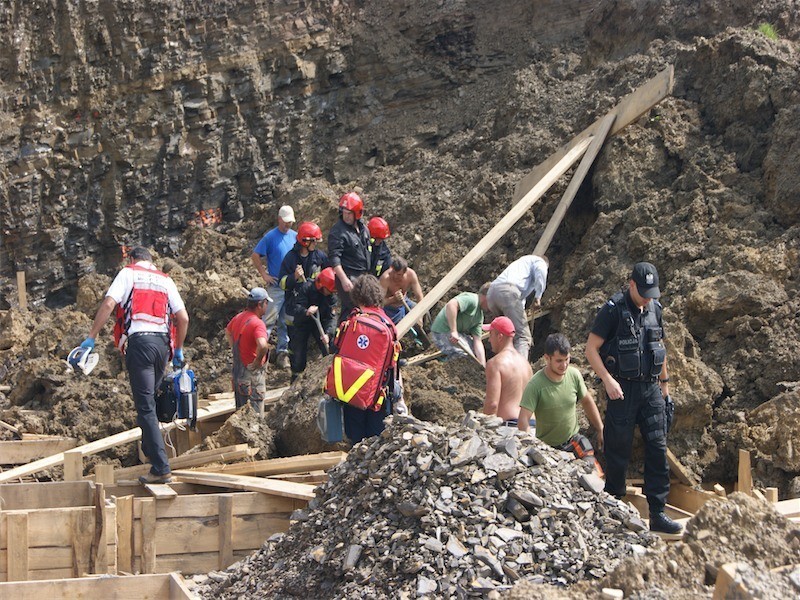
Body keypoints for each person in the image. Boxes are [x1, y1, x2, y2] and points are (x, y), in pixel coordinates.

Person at [584, 262, 680, 535]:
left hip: (651, 390)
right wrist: (608, 380)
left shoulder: (655, 310)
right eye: (644, 291)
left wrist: (665, 387)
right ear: (631, 284)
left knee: (658, 448)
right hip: (622, 390)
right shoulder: (612, 310)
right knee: (618, 449)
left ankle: (658, 512)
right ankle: (614, 506)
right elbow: (591, 349)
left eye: (652, 292)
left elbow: (658, 348)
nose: (648, 297)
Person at [80, 247, 189, 484]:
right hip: (162, 346)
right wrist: (178, 350)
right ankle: (152, 452)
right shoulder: (165, 280)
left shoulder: (128, 274)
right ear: (151, 261)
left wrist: (92, 336)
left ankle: (161, 467)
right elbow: (183, 318)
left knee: (146, 407)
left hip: (140, 344)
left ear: (132, 259)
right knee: (151, 400)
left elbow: (109, 304)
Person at [517, 333, 604, 475]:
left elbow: (587, 401)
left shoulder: (574, 375)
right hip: (547, 447)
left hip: (572, 439)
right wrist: (531, 447)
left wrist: (600, 428)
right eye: (558, 361)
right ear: (547, 358)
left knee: (591, 466)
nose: (564, 365)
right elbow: (523, 420)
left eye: (567, 359)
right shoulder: (535, 385)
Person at [334, 274, 404, 443]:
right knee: (376, 442)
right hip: (378, 397)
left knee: (355, 440)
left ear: (357, 296)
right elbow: (393, 364)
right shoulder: (388, 324)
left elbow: (336, 349)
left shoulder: (352, 320)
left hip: (351, 393)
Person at [250, 205, 297, 368]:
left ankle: (282, 353)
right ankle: (259, 353)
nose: (288, 225)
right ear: (279, 219)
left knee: (285, 321)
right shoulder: (270, 237)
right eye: (285, 222)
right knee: (268, 320)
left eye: (290, 222)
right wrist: (264, 275)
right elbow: (255, 255)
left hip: (290, 286)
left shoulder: (295, 237)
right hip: (276, 287)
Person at [486, 254, 549, 358]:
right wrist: (538, 296)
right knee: (523, 337)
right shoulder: (539, 261)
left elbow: (520, 300)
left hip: (492, 293)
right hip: (507, 292)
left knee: (504, 334)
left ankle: (503, 365)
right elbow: (541, 270)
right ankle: (519, 370)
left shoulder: (522, 266)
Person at [285, 267, 338, 382]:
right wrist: (306, 311)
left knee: (329, 348)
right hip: (302, 323)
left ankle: (329, 378)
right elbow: (296, 308)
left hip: (320, 322)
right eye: (329, 290)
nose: (330, 293)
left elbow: (332, 318)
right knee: (298, 353)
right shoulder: (306, 288)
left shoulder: (331, 296)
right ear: (321, 286)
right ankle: (295, 379)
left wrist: (328, 334)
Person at [225, 288, 271, 415]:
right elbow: (263, 345)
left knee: (241, 418)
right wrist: (257, 361)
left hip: (239, 377)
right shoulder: (258, 324)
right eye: (266, 303)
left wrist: (236, 352)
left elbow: (228, 332)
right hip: (253, 381)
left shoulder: (238, 318)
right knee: (255, 421)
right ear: (260, 304)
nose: (267, 306)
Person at [328, 192, 371, 324]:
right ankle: (340, 342)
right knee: (354, 310)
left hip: (363, 275)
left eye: (349, 213)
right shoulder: (338, 232)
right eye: (344, 212)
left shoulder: (363, 229)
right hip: (349, 276)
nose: (346, 216)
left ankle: (342, 340)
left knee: (359, 310)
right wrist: (344, 279)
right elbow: (334, 258)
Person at [482, 316, 533, 424]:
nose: (489, 340)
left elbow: (492, 404)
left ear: (500, 336)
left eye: (491, 335)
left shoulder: (495, 364)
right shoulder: (526, 364)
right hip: (531, 424)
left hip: (510, 426)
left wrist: (484, 427)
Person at [430, 283, 490, 366]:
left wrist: (482, 364)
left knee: (473, 351)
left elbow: (477, 341)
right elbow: (451, 305)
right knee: (462, 355)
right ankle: (443, 366)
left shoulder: (479, 316)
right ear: (488, 297)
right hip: (441, 332)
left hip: (454, 335)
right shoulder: (472, 299)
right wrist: (454, 331)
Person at [278, 221, 328, 296]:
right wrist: (294, 277)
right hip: (296, 301)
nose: (316, 244)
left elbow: (329, 275)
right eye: (314, 241)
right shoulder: (291, 258)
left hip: (315, 300)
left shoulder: (319, 256)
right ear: (306, 242)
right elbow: (282, 284)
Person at [379, 256, 425, 325]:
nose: (395, 276)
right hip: (390, 308)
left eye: (399, 274)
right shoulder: (385, 279)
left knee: (424, 312)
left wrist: (420, 316)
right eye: (393, 272)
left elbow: (419, 296)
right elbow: (379, 303)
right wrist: (393, 299)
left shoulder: (411, 275)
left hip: (405, 302)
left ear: (405, 272)